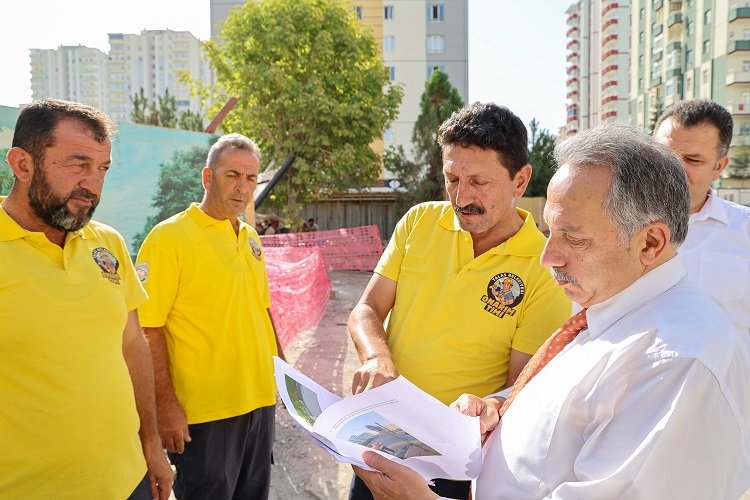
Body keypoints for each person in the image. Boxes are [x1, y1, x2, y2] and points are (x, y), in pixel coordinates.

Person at [355, 123, 750, 499]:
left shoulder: (677, 365)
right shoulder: (610, 313)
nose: (547, 256)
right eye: (550, 231)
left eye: (573, 237)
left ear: (650, 243)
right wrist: (497, 407)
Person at [347, 102, 571, 499]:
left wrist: (482, 409)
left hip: (452, 463)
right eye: (451, 178)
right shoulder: (418, 222)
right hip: (381, 436)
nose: (461, 195)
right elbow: (367, 309)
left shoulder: (543, 266)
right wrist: (375, 356)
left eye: (478, 181)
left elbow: (516, 389)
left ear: (520, 180)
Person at [0, 98, 172, 499]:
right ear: (22, 165)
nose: (93, 184)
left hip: (130, 480)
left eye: (103, 168)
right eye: (78, 164)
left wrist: (151, 445)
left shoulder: (107, 242)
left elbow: (133, 346)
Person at [136, 133, 286, 500]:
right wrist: (165, 408)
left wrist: (284, 374)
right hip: (205, 414)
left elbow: (261, 309)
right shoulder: (168, 237)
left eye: (251, 178)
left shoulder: (250, 237)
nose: (242, 187)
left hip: (258, 403)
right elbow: (148, 328)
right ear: (207, 177)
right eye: (232, 175)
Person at [653, 99, 750, 335]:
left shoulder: (745, 231)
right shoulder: (610, 224)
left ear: (720, 166)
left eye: (692, 160)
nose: (675, 168)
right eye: (665, 155)